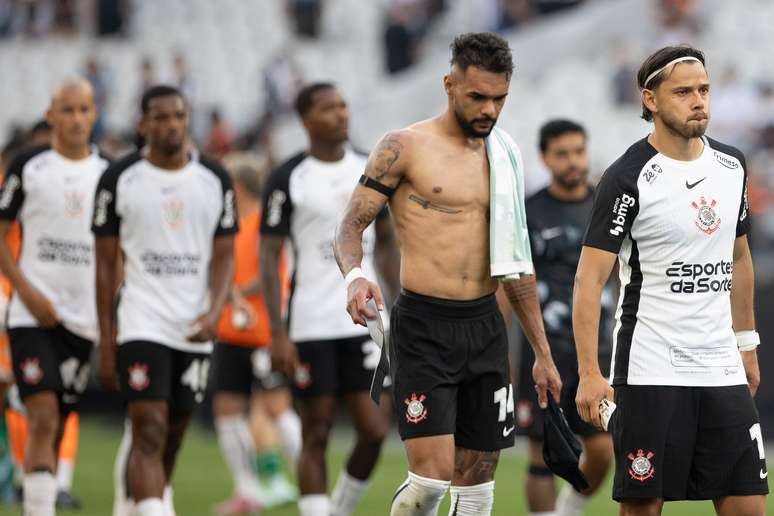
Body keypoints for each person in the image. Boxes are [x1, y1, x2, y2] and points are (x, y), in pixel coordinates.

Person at [334, 32, 562, 516]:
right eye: (477, 96)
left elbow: (516, 262)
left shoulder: (505, 155)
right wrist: (354, 277)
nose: (489, 110)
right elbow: (350, 227)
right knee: (430, 481)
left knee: (479, 485)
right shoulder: (403, 147)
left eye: (499, 98)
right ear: (448, 84)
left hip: (485, 327)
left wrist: (542, 353)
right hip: (423, 326)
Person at [574, 45, 768, 516]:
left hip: (720, 364)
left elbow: (740, 258)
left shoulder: (732, 166)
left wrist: (746, 343)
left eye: (703, 90)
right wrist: (589, 373)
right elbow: (588, 279)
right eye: (683, 92)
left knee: (749, 505)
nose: (699, 100)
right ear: (651, 99)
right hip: (650, 369)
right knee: (644, 506)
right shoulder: (628, 176)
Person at [93, 85, 236, 516]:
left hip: (194, 326)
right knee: (149, 429)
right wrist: (106, 337)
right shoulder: (119, 179)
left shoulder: (214, 178)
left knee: (173, 434)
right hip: (142, 321)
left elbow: (225, 255)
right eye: (161, 117)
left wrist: (214, 311)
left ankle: (142, 504)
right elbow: (103, 265)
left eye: (178, 115)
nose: (171, 124)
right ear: (143, 123)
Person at [260, 82, 399, 516]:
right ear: (305, 120)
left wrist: (398, 305)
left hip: (368, 321)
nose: (340, 114)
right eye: (327, 108)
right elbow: (268, 256)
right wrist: (277, 332)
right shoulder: (288, 178)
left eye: (343, 105)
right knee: (315, 431)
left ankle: (339, 506)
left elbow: (389, 242)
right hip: (311, 321)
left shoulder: (370, 167)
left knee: (375, 429)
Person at [0, 77, 109, 516]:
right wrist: (26, 292)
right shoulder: (28, 166)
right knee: (42, 413)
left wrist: (109, 318)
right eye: (67, 110)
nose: (76, 119)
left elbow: (114, 251)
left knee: (60, 416)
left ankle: (39, 490)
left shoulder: (108, 174)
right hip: (31, 315)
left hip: (82, 319)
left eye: (84, 110)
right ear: (51, 115)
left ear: (94, 114)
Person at [516, 120, 614, 516]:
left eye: (578, 151)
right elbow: (513, 283)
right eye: (562, 153)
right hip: (546, 351)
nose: (573, 161)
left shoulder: (606, 205)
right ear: (545, 158)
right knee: (542, 454)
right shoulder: (529, 212)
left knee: (603, 450)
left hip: (599, 350)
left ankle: (568, 510)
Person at [211, 154, 299, 514]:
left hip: (264, 333)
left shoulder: (264, 223)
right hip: (231, 333)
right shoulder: (232, 224)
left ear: (238, 187)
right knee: (227, 411)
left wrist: (230, 293)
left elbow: (268, 277)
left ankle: (310, 479)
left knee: (277, 408)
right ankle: (247, 490)